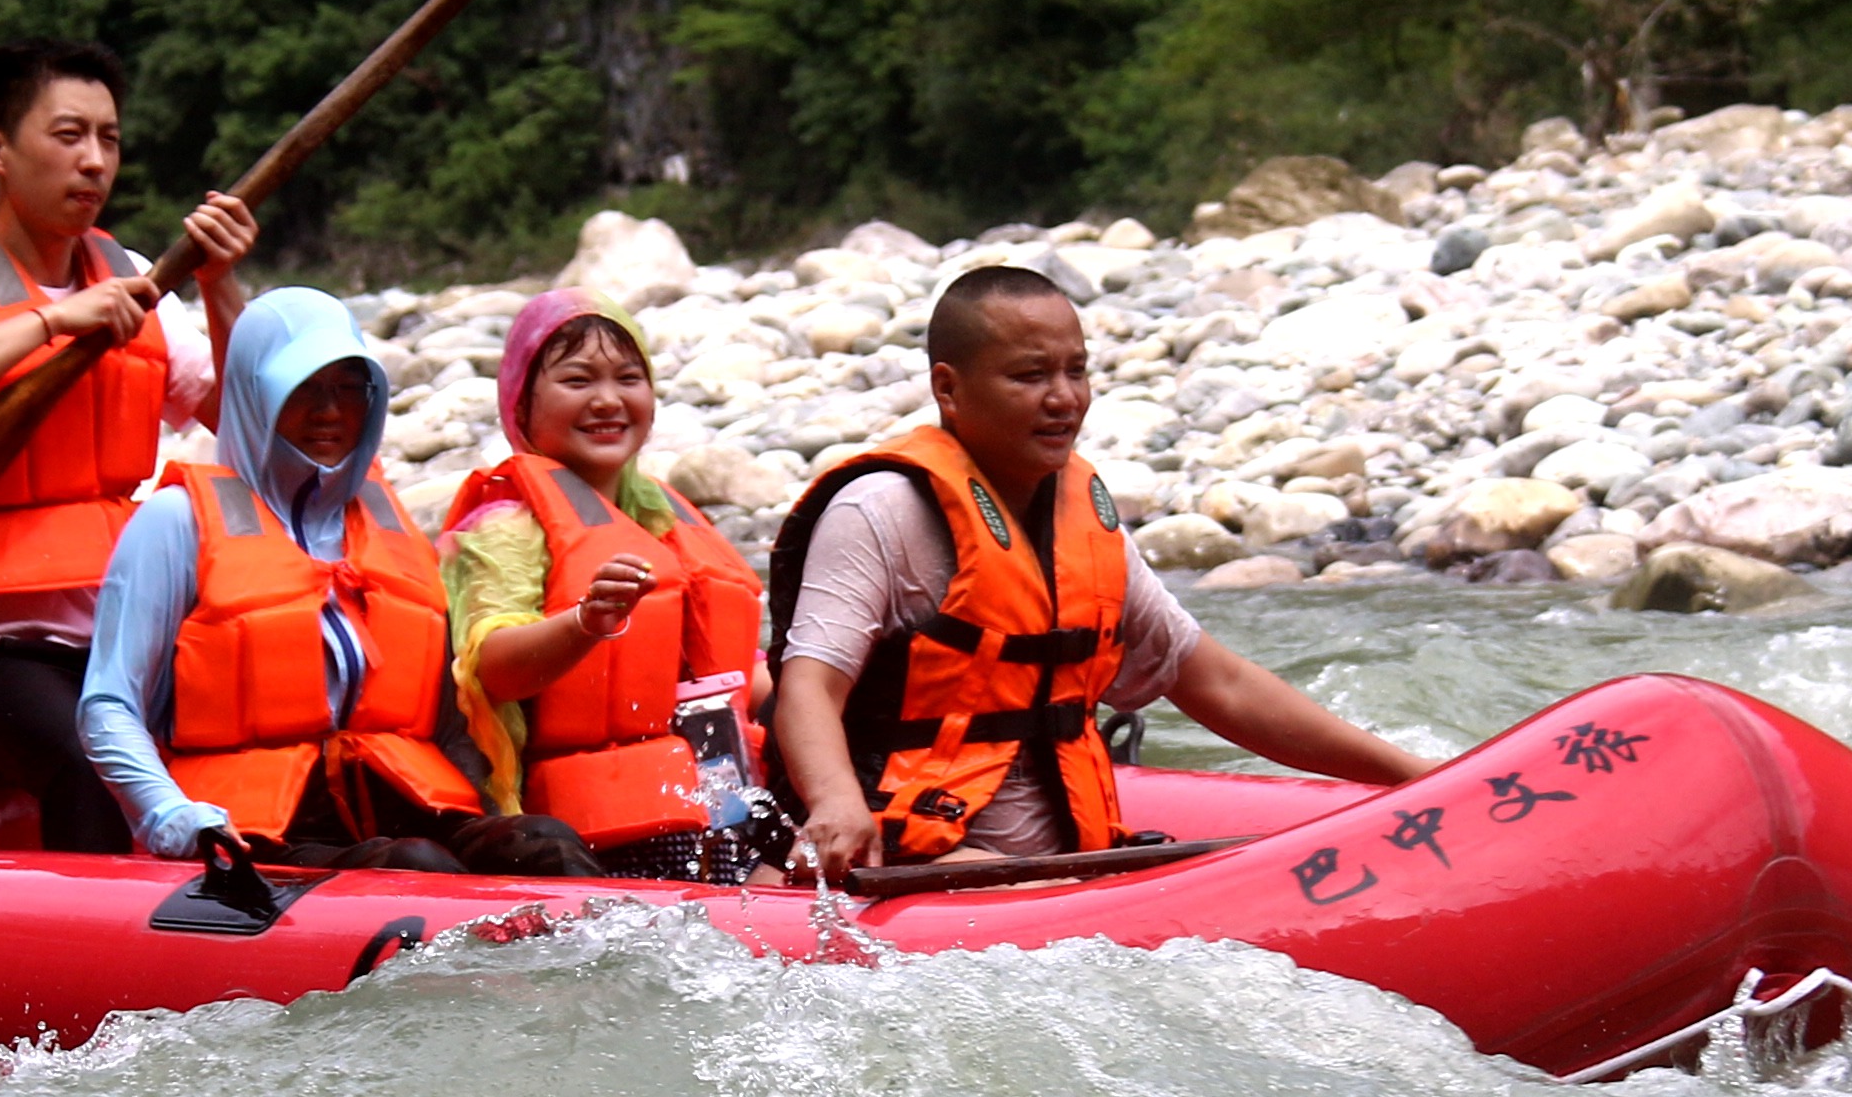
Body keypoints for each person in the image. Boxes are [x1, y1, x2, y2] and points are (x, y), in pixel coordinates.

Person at [770, 264, 1431, 876]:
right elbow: (810, 687)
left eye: (1076, 371)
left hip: (1061, 862)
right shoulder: (881, 510)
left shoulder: (1080, 514)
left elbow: (1218, 683)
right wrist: (834, 801)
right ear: (949, 388)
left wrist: (1413, 776)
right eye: (1030, 376)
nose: (1064, 398)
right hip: (911, 855)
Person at [0, 38, 254, 856]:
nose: (94, 162)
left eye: (108, 139)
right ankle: (101, 969)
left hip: (128, 639)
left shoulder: (135, 276)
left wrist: (221, 287)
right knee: (94, 765)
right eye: (68, 135)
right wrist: (50, 322)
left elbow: (242, 422)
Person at [81, 288, 597, 876]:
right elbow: (109, 704)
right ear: (254, 396)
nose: (330, 411)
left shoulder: (388, 523)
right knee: (415, 864)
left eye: (348, 388)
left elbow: (448, 719)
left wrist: (485, 814)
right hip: (254, 830)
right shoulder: (175, 522)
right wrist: (172, 816)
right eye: (302, 389)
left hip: (396, 802)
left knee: (545, 844)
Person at [441, 293, 772, 875]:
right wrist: (585, 623)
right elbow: (490, 669)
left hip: (702, 798)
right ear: (521, 405)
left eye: (628, 378)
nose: (607, 401)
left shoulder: (665, 515)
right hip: (571, 824)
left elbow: (735, 672)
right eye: (577, 380)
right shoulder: (503, 528)